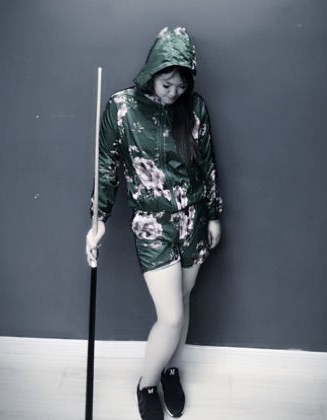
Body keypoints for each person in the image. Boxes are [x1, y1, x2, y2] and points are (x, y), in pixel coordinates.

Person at [85, 26, 223, 420]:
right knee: (171, 315)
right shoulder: (121, 108)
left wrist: (214, 214)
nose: (173, 93)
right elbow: (106, 169)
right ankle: (147, 384)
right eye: (167, 84)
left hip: (193, 219)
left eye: (181, 86)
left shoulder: (195, 109)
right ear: (153, 72)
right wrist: (99, 220)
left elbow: (207, 163)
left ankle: (170, 369)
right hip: (152, 224)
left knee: (184, 299)